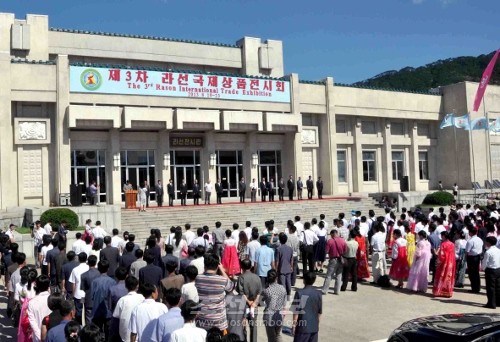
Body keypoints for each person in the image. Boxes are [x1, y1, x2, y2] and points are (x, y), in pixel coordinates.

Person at [195, 254, 234, 331]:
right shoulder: (222, 280)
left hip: (202, 319)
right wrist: (222, 270)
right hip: (218, 321)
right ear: (217, 266)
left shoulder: (198, 278)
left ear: (205, 265)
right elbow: (231, 287)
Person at [236, 259, 262, 342]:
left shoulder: (241, 277)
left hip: (244, 306)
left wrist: (248, 302)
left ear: (242, 267)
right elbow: (259, 292)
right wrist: (254, 303)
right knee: (253, 326)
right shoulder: (257, 277)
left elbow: (241, 293)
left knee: (243, 325)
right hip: (254, 306)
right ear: (251, 267)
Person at [113, 276, 145, 342]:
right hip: (139, 335)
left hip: (125, 336)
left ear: (125, 286)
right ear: (137, 285)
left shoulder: (122, 300)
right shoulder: (142, 298)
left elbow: (116, 316)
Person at [292, 271, 322, 342]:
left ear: (304, 280)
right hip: (314, 328)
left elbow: (296, 312)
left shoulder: (299, 293)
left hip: (302, 328)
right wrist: (316, 324)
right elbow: (319, 312)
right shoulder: (318, 294)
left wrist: (294, 325)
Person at [91, 260, 116, 339]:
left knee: (97, 333)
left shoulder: (94, 281)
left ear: (98, 268)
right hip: (108, 311)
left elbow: (92, 296)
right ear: (108, 269)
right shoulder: (113, 282)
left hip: (97, 310)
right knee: (108, 332)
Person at [262, 269, 287, 342]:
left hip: (269, 316)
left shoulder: (267, 290)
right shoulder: (283, 288)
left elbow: (260, 301)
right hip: (279, 315)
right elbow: (284, 304)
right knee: (278, 335)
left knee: (271, 337)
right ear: (276, 278)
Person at [27, 275, 52, 342]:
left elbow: (32, 322)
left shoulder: (32, 302)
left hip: (38, 337)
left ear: (37, 286)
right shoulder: (53, 300)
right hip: (52, 336)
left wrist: (39, 335)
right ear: (48, 286)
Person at [322, 229, 346, 295]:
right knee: (339, 275)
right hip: (341, 259)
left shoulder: (330, 241)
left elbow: (326, 251)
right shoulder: (342, 240)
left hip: (333, 259)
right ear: (337, 233)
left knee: (329, 275)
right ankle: (337, 291)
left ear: (332, 234)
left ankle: (325, 290)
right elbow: (345, 250)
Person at [433, 232, 456, 298]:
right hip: (451, 262)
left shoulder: (443, 244)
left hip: (444, 263)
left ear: (444, 236)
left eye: (442, 236)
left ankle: (440, 291)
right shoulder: (452, 244)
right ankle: (448, 291)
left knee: (442, 275)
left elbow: (442, 255)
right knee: (449, 276)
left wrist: (438, 262)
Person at [481, 236, 500, 309]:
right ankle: (498, 302)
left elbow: (484, 263)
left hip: (491, 270)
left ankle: (491, 303)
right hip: (498, 269)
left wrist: (483, 268)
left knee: (490, 287)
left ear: (488, 243)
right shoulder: (498, 250)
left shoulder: (488, 252)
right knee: (498, 286)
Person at [466, 227, 483, 293]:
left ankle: (474, 288)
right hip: (477, 256)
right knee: (476, 273)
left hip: (472, 257)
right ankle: (477, 287)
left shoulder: (470, 241)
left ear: (470, 232)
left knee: (472, 273)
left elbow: (467, 251)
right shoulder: (480, 239)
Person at [277, 233, 294, 297]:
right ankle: (289, 294)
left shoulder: (279, 249)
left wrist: (276, 269)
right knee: (288, 282)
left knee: (282, 283)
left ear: (280, 240)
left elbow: (277, 261)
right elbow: (291, 259)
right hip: (288, 268)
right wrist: (291, 267)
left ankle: (283, 296)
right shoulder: (290, 249)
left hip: (281, 269)